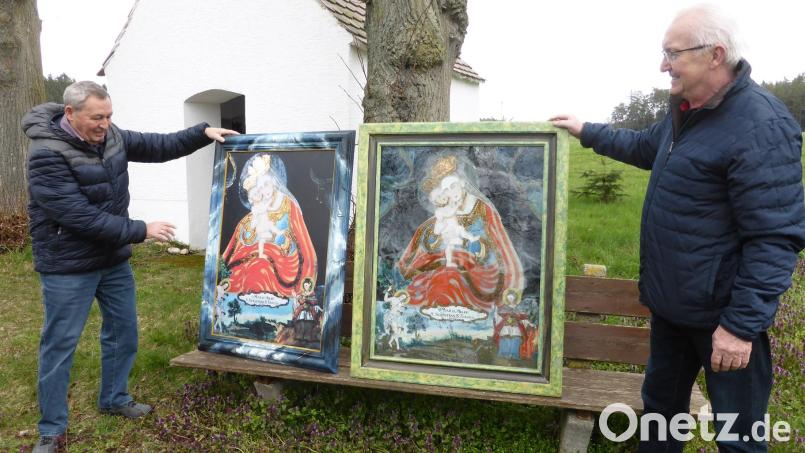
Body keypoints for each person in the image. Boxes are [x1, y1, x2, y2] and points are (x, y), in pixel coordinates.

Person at [550, 5, 805, 452]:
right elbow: (644, 144)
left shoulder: (762, 126)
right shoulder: (685, 112)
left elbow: (774, 238)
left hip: (722, 321)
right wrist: (586, 130)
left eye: (672, 53)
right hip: (671, 309)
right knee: (660, 421)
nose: (662, 64)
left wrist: (740, 328)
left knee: (739, 438)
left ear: (714, 55)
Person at [22, 81, 239, 453]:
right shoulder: (46, 153)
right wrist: (140, 230)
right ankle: (52, 429)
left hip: (112, 259)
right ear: (70, 114)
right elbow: (78, 216)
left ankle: (114, 398)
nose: (105, 124)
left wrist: (201, 132)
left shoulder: (112, 135)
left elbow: (157, 145)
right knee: (60, 345)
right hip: (67, 264)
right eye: (97, 117)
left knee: (124, 332)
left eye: (109, 116)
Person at [396, 154, 524, 314]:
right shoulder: (444, 211)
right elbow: (428, 241)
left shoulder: (482, 210)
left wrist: (474, 246)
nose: (451, 192)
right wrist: (437, 238)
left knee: (451, 277)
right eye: (446, 190)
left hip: (477, 265)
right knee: (440, 277)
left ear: (463, 183)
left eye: (454, 186)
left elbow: (497, 246)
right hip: (446, 260)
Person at [221, 153, 317, 297]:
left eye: (266, 185)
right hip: (261, 250)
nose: (264, 190)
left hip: (284, 259)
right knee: (251, 265)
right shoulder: (258, 208)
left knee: (262, 267)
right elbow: (248, 231)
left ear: (274, 182)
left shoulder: (288, 205)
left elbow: (301, 238)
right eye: (260, 187)